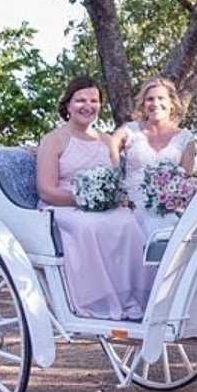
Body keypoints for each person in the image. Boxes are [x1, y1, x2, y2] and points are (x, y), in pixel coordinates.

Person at [36, 76, 155, 320]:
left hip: (101, 207)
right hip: (62, 206)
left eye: (94, 100)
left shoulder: (106, 141)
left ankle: (134, 298)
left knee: (129, 223)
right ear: (68, 105)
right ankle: (99, 301)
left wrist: (110, 199)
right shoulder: (54, 140)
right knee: (90, 226)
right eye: (80, 100)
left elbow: (115, 181)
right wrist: (83, 200)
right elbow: (46, 189)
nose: (87, 106)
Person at [112, 77, 197, 236]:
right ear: (143, 105)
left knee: (168, 226)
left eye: (161, 98)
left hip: (167, 208)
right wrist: (118, 186)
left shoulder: (186, 138)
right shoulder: (129, 131)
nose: (155, 103)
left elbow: (186, 181)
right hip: (131, 207)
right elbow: (111, 147)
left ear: (172, 103)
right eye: (150, 99)